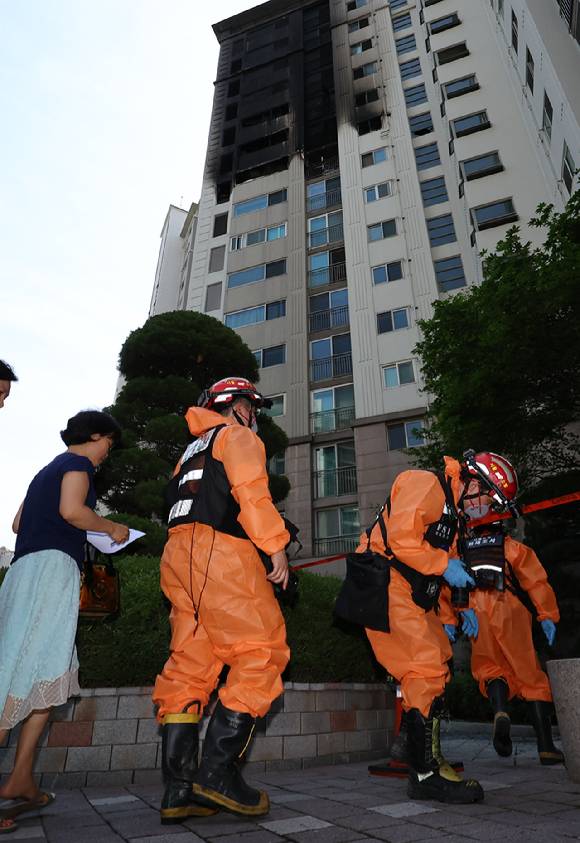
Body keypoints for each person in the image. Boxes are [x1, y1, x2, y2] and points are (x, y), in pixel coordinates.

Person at [153, 377, 290, 822]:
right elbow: (251, 492)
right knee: (260, 653)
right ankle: (216, 774)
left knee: (188, 669)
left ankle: (178, 790)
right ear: (236, 406)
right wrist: (276, 547)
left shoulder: (187, 452)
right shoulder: (237, 436)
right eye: (253, 407)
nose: (256, 416)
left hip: (178, 558)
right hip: (223, 555)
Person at [0, 411, 129, 826]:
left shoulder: (46, 470)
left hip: (24, 571)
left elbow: (19, 523)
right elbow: (73, 512)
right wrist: (111, 527)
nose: (109, 451)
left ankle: (20, 779)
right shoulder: (77, 465)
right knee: (18, 669)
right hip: (50, 572)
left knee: (45, 670)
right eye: (109, 442)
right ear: (95, 435)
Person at [360, 455, 484, 804]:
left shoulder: (452, 519)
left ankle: (421, 759)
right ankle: (425, 773)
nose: (486, 508)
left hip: (411, 591)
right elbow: (403, 541)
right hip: (384, 580)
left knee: (439, 662)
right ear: (473, 485)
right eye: (487, 498)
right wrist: (446, 565)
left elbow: (444, 571)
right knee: (425, 665)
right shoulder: (425, 483)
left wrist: (457, 612)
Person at [443, 451, 563, 766]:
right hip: (507, 605)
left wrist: (453, 617)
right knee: (529, 673)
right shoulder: (510, 548)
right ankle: (547, 747)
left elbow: (448, 582)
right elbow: (536, 582)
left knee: (489, 668)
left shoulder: (459, 547)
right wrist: (547, 615)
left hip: (472, 610)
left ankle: (499, 711)